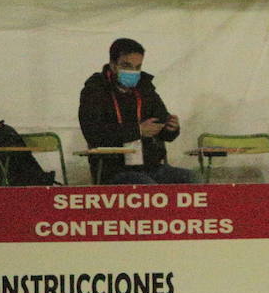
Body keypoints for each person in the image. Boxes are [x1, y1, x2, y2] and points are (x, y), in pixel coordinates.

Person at [78, 38, 193, 184]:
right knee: (146, 188)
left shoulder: (145, 88)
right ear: (113, 65)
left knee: (194, 179)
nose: (132, 72)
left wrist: (171, 128)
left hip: (150, 165)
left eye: (137, 67)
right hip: (114, 169)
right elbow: (94, 134)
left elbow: (163, 127)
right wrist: (137, 130)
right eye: (126, 66)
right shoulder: (95, 91)